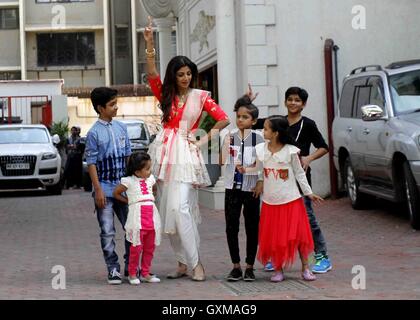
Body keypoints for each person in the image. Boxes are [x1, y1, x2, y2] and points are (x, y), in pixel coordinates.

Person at [144, 17, 230, 281]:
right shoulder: (165, 94)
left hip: (185, 152)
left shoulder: (201, 97)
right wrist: (149, 45)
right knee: (168, 208)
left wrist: (202, 140)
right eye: (180, 74)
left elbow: (223, 118)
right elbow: (151, 74)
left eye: (189, 73)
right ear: (174, 75)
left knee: (181, 207)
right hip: (164, 154)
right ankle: (182, 262)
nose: (185, 78)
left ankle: (196, 264)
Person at [253, 86, 332, 274]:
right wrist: (248, 101)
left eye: (297, 100)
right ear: (285, 101)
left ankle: (321, 257)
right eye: (290, 99)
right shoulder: (277, 123)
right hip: (277, 182)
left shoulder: (308, 124)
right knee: (278, 222)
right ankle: (277, 257)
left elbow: (323, 146)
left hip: (299, 177)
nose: (293, 103)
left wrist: (308, 158)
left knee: (307, 220)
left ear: (303, 104)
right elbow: (253, 121)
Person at [248, 116, 323, 282]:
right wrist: (247, 171)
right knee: (275, 238)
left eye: (266, 129)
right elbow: (259, 170)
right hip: (270, 202)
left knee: (300, 238)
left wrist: (308, 193)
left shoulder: (291, 151)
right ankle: (278, 269)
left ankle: (306, 268)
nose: (263, 131)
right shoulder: (261, 149)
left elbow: (299, 173)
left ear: (275, 133)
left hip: (291, 201)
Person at [85, 87, 132, 285]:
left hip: (123, 187)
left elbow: (129, 156)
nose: (116, 107)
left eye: (115, 103)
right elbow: (91, 163)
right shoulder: (93, 133)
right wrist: (98, 190)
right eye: (112, 104)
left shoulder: (122, 128)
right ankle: (113, 269)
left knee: (132, 227)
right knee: (107, 231)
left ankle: (131, 265)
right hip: (104, 188)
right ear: (100, 108)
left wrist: (131, 183)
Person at [220, 95, 264, 282]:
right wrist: (225, 145)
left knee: (252, 227)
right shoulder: (228, 136)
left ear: (253, 121)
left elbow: (262, 164)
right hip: (232, 188)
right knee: (231, 227)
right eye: (238, 116)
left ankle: (250, 266)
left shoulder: (259, 138)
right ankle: (236, 266)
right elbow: (222, 161)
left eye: (245, 117)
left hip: (251, 188)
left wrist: (261, 182)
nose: (240, 120)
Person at [113, 152, 162, 285]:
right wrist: (129, 200)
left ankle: (145, 273)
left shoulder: (150, 179)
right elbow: (116, 193)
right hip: (137, 219)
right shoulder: (128, 181)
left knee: (149, 248)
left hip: (151, 217)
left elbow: (154, 189)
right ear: (137, 171)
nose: (149, 171)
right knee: (136, 248)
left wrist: (150, 197)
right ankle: (133, 273)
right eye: (147, 169)